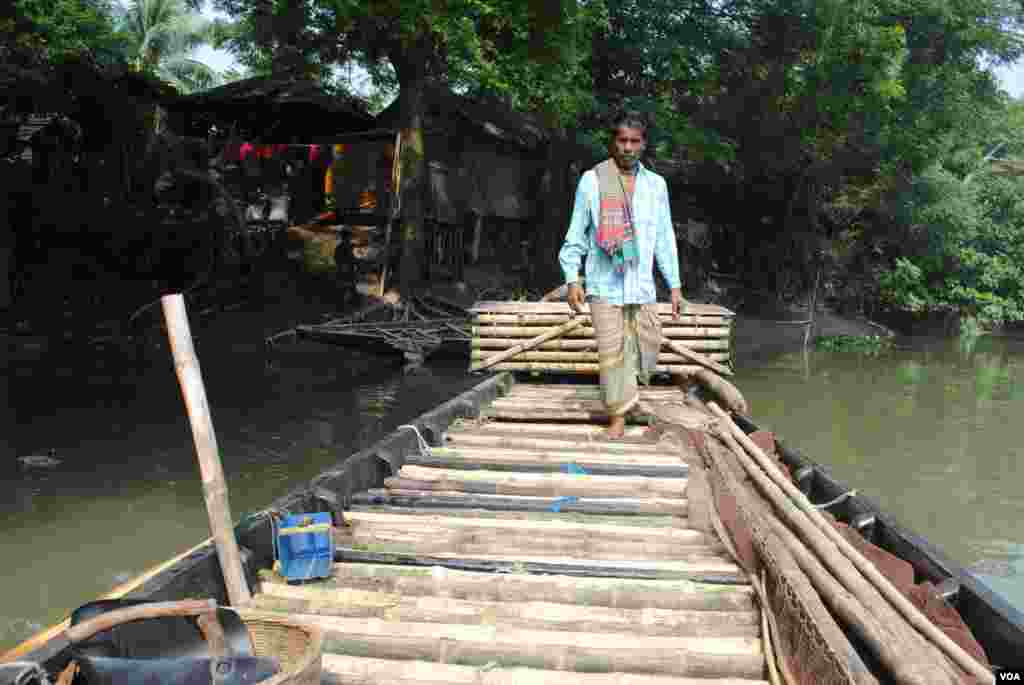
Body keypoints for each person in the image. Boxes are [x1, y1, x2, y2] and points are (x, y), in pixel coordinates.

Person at [558, 110, 684, 439]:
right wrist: (572, 277)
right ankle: (618, 415)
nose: (628, 147)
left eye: (634, 141)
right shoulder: (593, 180)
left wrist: (674, 284)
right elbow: (577, 232)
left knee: (648, 343)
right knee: (612, 351)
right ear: (613, 143)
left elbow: (664, 237)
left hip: (641, 286)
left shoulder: (657, 186)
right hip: (604, 283)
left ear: (643, 145)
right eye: (622, 140)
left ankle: (629, 396)